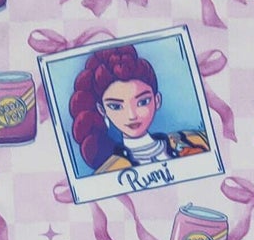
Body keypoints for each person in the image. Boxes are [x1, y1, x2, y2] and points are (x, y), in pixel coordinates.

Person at [65, 43, 210, 176]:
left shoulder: (195, 140)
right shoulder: (109, 172)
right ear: (102, 110)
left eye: (142, 102)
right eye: (116, 106)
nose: (132, 115)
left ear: (157, 100)